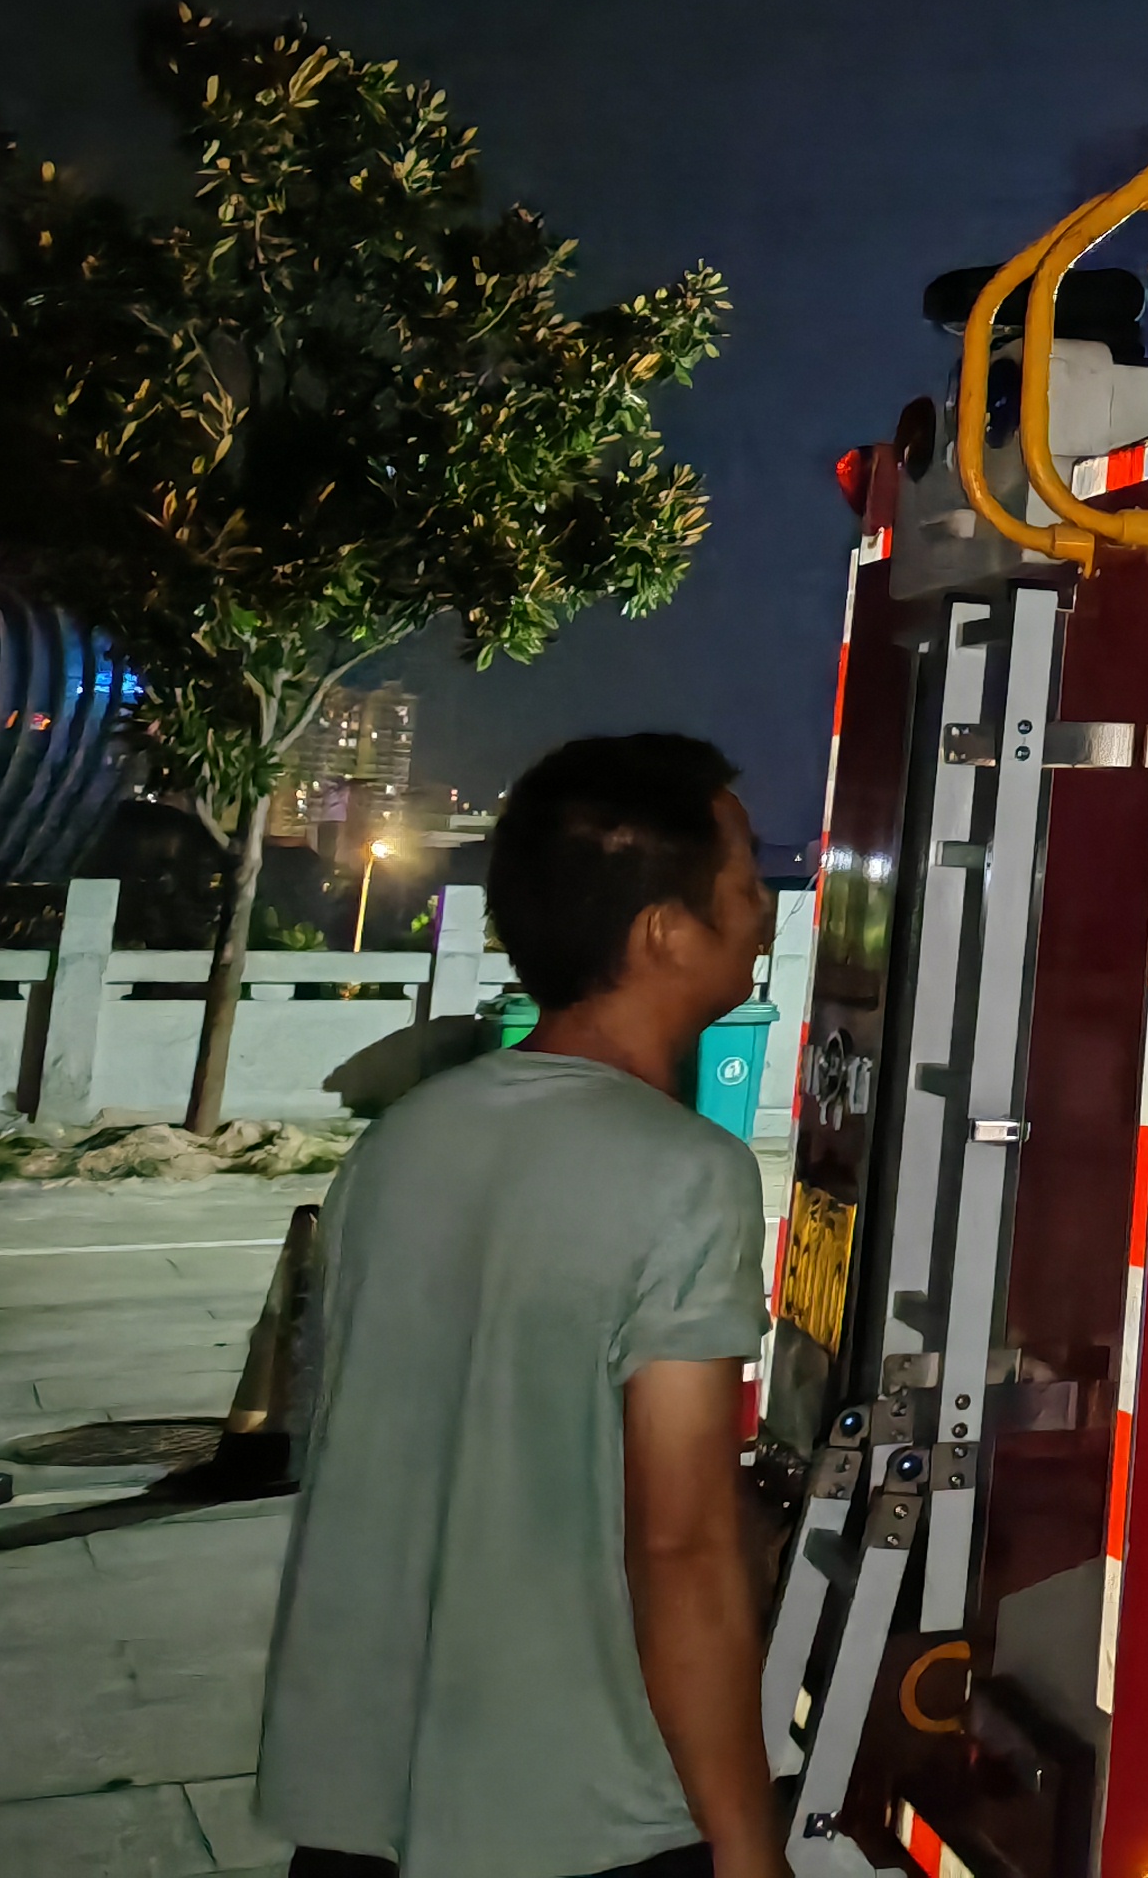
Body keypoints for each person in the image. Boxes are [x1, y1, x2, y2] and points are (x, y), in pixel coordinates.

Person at [255, 734, 780, 1878]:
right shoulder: (685, 1173)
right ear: (664, 931)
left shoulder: (402, 1143)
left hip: (358, 1805)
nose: (764, 913)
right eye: (745, 883)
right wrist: (748, 1847)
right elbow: (680, 1544)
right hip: (575, 1819)